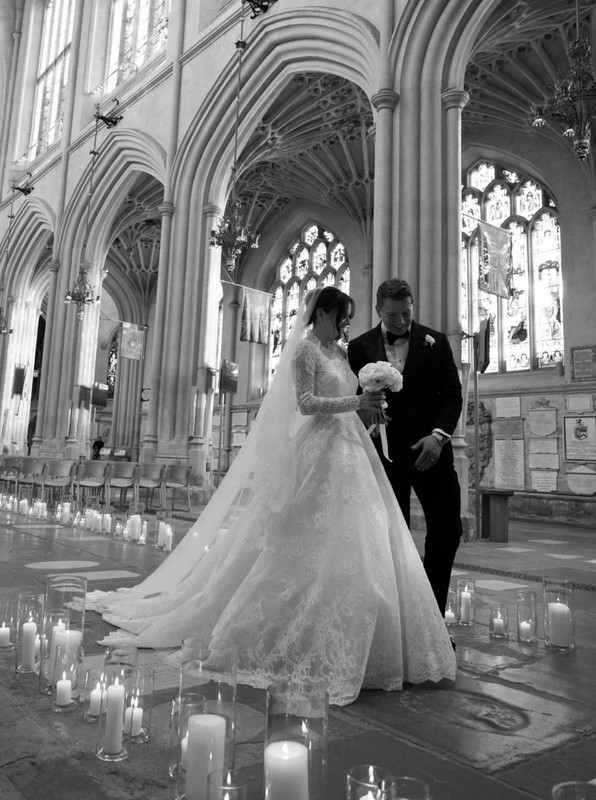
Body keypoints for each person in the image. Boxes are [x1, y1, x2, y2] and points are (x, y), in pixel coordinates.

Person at [87, 286, 456, 706]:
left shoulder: (339, 353)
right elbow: (305, 402)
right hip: (321, 452)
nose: (345, 326)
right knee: (305, 538)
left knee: (366, 537)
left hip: (353, 447)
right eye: (341, 317)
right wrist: (359, 399)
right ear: (323, 313)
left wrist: (369, 411)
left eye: (348, 320)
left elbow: (345, 399)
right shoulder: (304, 351)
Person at [348, 279, 463, 616]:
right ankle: (396, 621)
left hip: (432, 452)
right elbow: (352, 399)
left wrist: (438, 436)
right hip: (385, 455)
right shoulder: (359, 347)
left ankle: (430, 619)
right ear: (378, 310)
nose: (400, 321)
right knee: (388, 539)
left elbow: (452, 395)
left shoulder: (436, 342)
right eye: (392, 314)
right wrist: (367, 411)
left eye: (406, 313)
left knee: (446, 531)